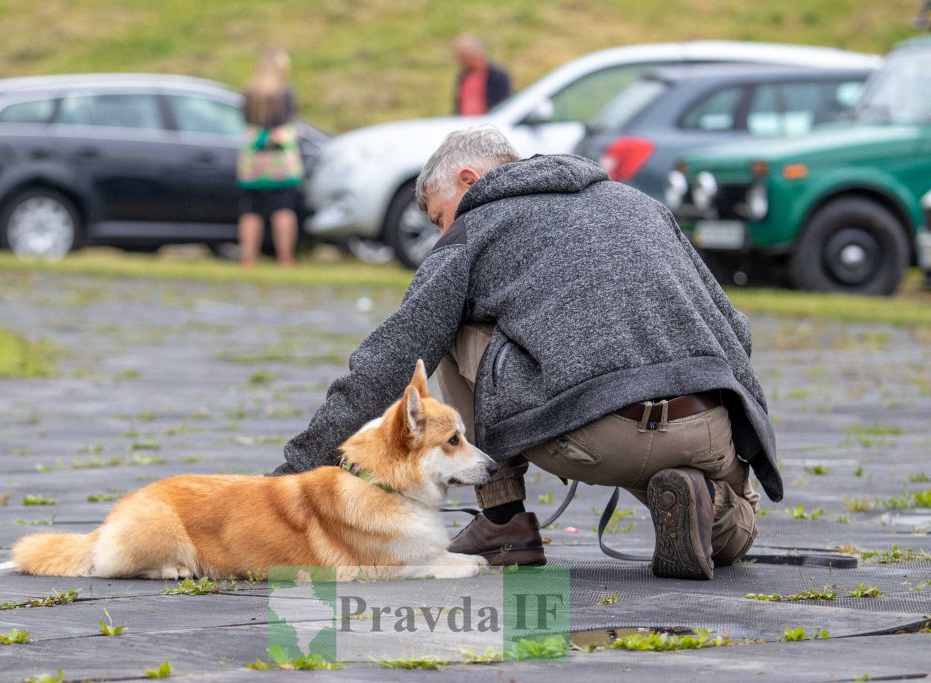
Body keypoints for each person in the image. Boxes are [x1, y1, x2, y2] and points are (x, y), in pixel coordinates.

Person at [278, 126, 781, 581]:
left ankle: (503, 522)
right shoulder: (641, 204)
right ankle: (714, 505)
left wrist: (292, 478)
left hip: (598, 434)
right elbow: (736, 328)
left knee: (447, 325)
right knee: (729, 534)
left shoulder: (476, 229)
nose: (440, 232)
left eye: (438, 216)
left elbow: (389, 364)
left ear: (470, 180)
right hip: (708, 426)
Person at [236, 47, 303, 268]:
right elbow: (289, 122)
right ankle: (285, 258)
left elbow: (244, 119)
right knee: (283, 208)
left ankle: (248, 258)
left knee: (251, 210)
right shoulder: (285, 92)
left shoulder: (250, 92)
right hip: (279, 158)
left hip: (254, 157)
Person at [453, 35, 511, 116]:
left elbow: (504, 103)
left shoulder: (497, 76)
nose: (461, 62)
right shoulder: (463, 77)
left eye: (465, 57)